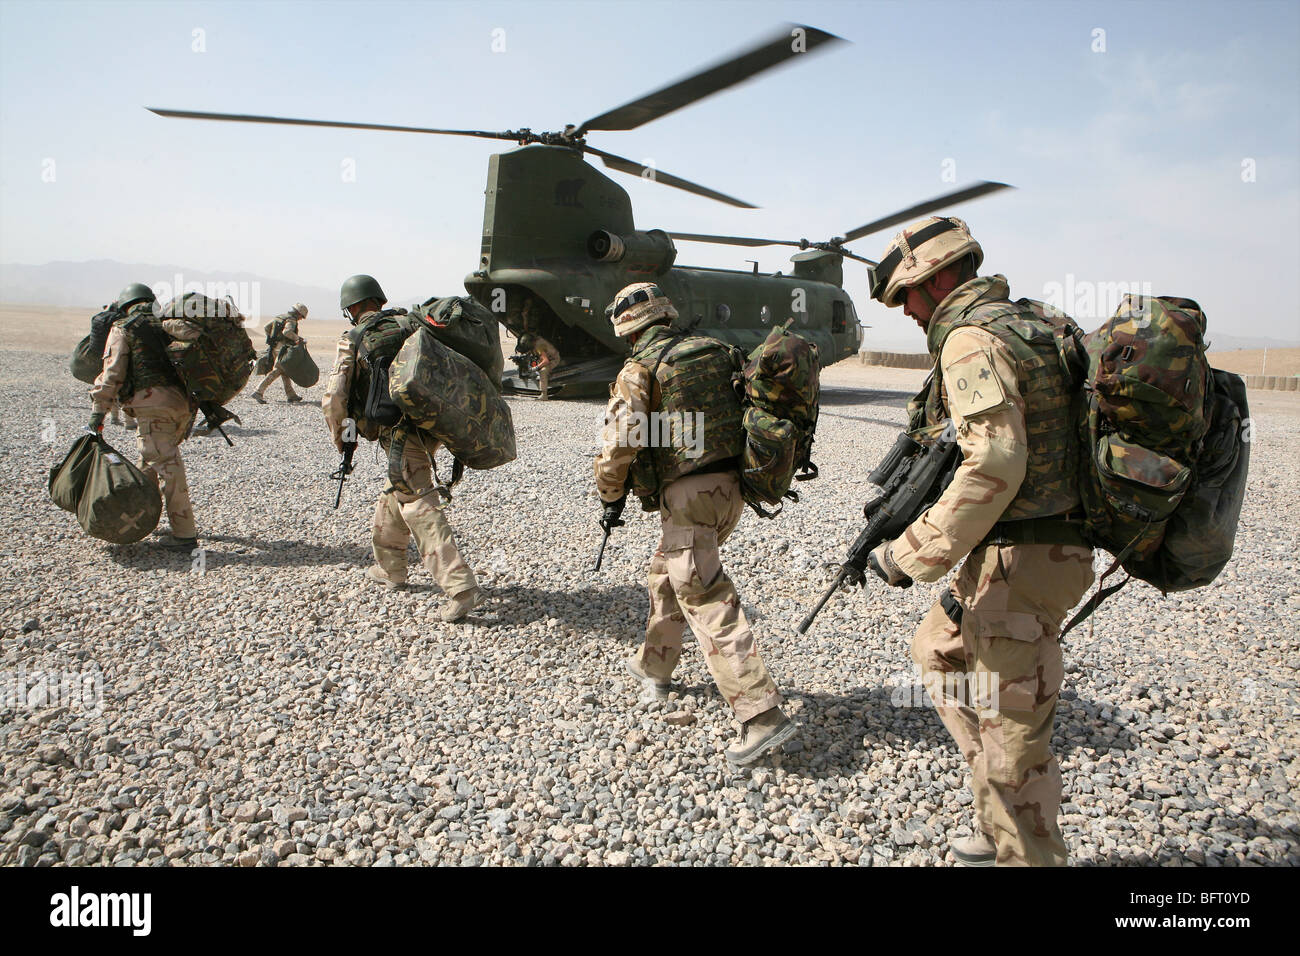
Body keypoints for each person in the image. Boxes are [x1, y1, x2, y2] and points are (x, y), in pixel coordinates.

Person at [864, 216, 1094, 866]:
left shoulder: (971, 340)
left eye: (906, 293)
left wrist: (910, 554)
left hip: (1025, 559)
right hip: (1024, 553)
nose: (905, 310)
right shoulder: (1028, 322)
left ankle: (1023, 841)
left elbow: (996, 463)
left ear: (937, 277)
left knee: (1015, 753)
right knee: (937, 650)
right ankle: (995, 813)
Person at [594, 281, 796, 766]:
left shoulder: (640, 368)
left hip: (689, 496)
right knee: (667, 574)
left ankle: (760, 714)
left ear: (626, 327)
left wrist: (609, 490)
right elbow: (693, 424)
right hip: (733, 487)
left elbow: (623, 440)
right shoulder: (712, 350)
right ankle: (655, 667)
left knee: (703, 594)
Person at [321, 274, 484, 623]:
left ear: (351, 307)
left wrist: (341, 437)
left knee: (416, 501)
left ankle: (460, 588)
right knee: (396, 489)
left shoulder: (353, 337)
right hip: (432, 422)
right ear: (378, 299)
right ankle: (391, 568)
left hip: (398, 430)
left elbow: (335, 396)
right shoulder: (409, 322)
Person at [88, 282, 199, 550]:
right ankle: (140, 517)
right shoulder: (167, 321)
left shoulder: (124, 327)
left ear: (125, 305)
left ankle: (185, 535)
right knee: (149, 463)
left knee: (168, 467)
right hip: (182, 406)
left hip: (152, 407)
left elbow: (112, 374)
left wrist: (98, 413)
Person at [252, 303, 308, 403]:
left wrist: (271, 338)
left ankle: (291, 395)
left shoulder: (280, 317)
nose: (301, 319)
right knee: (278, 369)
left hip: (275, 347)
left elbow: (266, 327)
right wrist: (298, 339)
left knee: (285, 371)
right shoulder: (291, 320)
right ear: (298, 314)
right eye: (301, 317)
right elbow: (287, 332)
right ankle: (258, 391)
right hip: (283, 349)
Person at [517, 332, 561, 400]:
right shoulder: (534, 342)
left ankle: (544, 395)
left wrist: (536, 368)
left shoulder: (539, 346)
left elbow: (546, 361)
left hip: (553, 359)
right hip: (543, 357)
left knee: (543, 371)